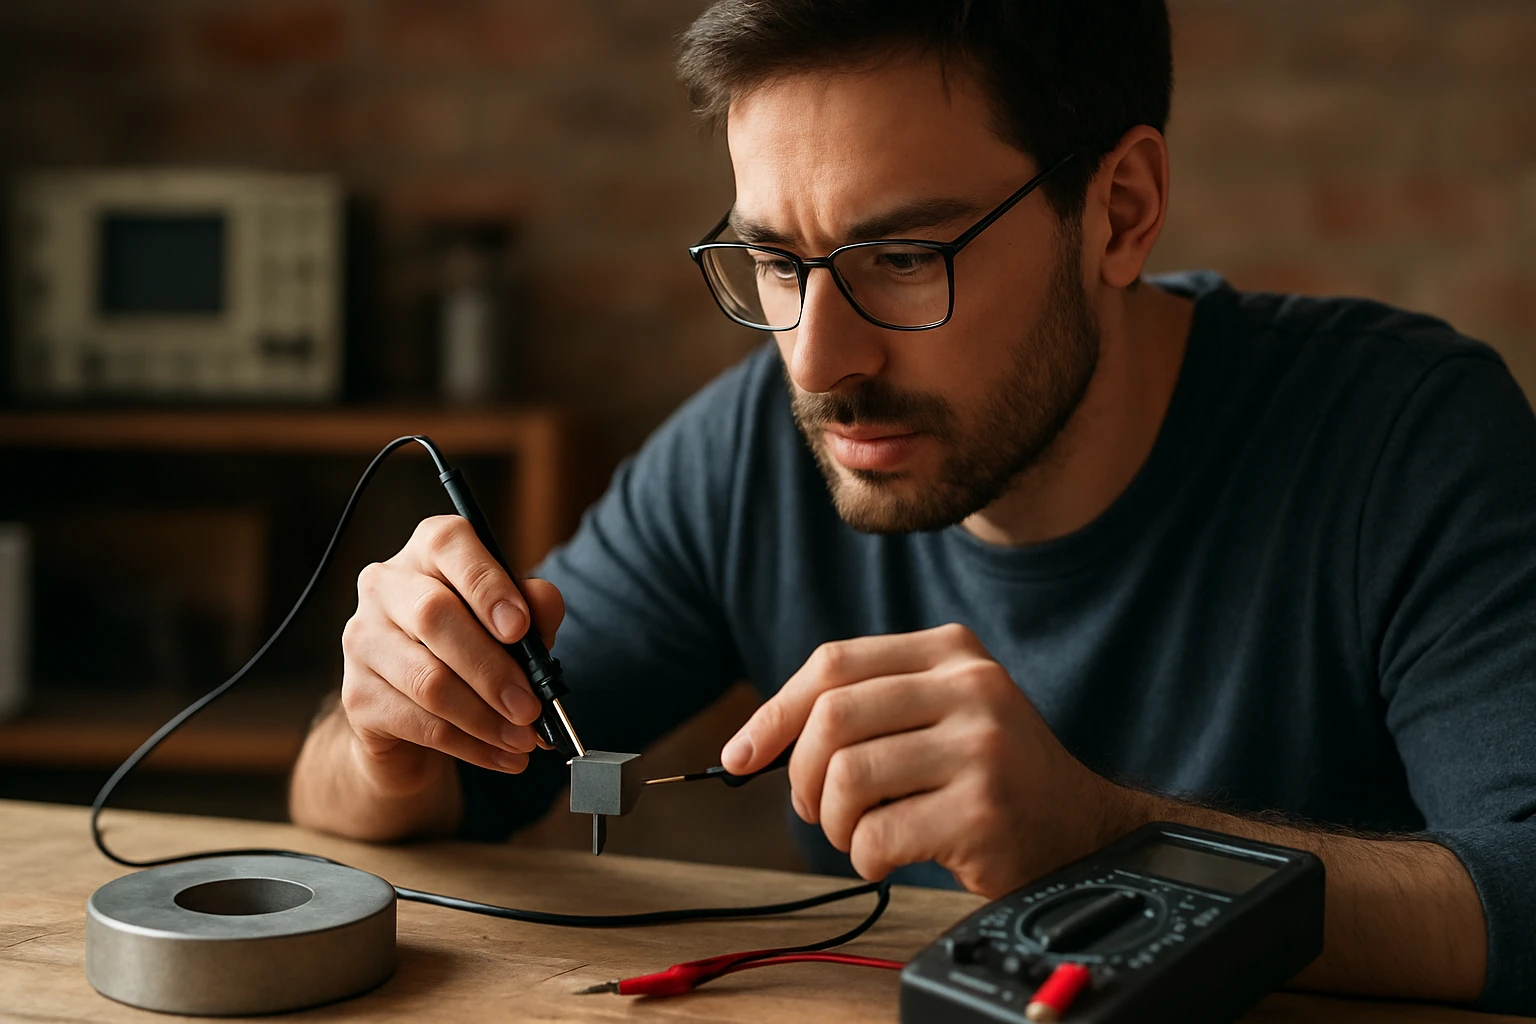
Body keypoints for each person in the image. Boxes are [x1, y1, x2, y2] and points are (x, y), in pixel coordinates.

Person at [288, 1, 1536, 1014]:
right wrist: (386, 731)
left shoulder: (1405, 434)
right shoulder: (745, 457)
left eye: (905, 257)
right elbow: (407, 802)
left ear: (1120, 210)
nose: (819, 362)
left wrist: (1100, 835)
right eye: (777, 262)